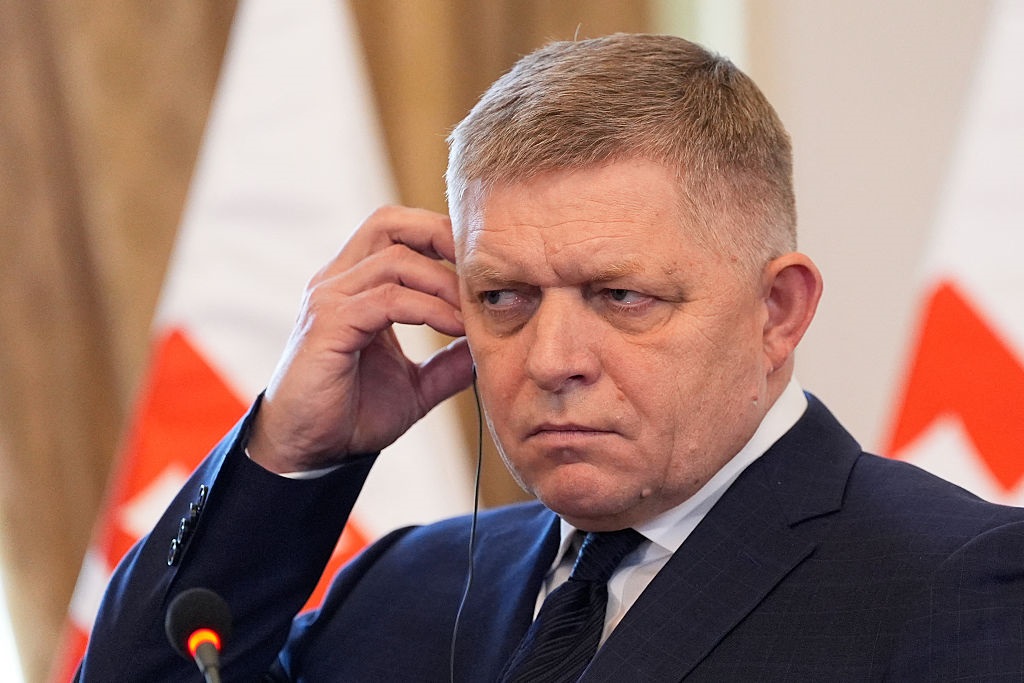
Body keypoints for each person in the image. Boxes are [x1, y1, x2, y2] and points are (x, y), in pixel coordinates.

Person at [78, 33, 1024, 681]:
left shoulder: (954, 583)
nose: (553, 359)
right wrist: (290, 454)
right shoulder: (405, 586)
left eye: (621, 296)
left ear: (778, 310)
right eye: (504, 298)